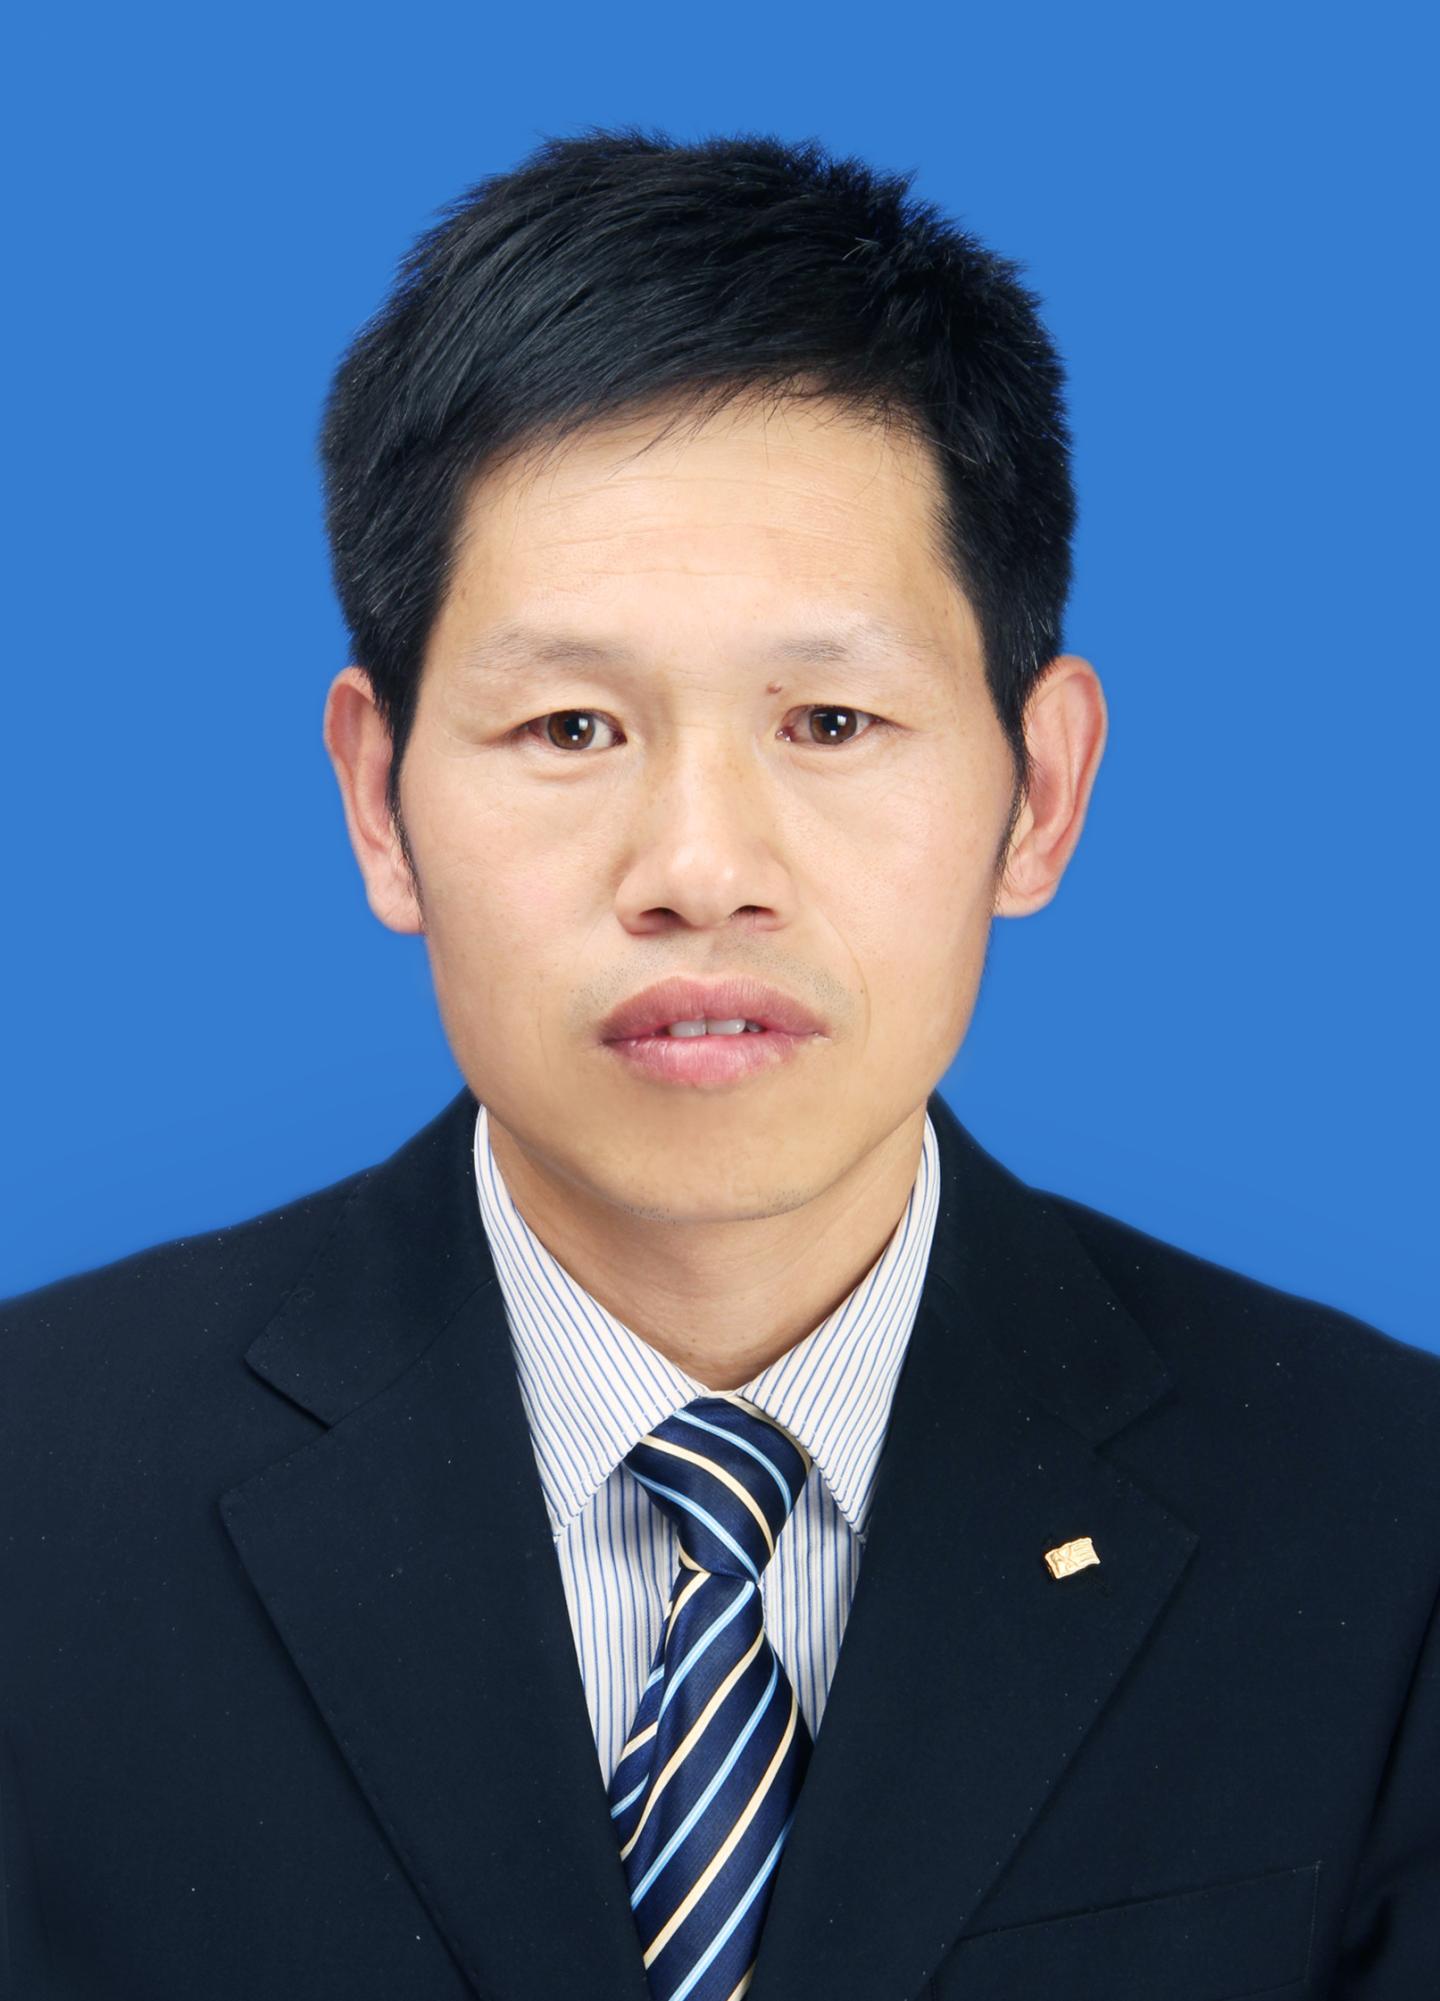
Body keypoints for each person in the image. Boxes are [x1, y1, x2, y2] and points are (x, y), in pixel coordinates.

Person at [2, 125, 1436, 2001]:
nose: (698, 868)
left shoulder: (1386, 1528)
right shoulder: (36, 1499)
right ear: (379, 799)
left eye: (828, 719)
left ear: (1039, 789)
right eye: (571, 724)